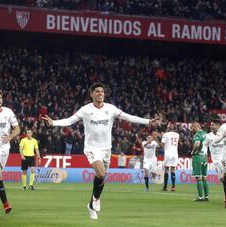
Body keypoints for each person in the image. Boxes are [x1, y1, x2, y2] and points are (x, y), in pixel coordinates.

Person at [41, 83, 160, 220]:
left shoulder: (111, 109)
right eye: (97, 92)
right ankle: (96, 199)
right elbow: (69, 121)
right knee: (101, 173)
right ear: (92, 94)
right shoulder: (85, 110)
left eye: (102, 92)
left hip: (106, 149)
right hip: (92, 148)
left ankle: (91, 205)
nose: (100, 94)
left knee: (102, 178)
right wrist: (53, 123)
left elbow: (129, 117)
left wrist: (148, 121)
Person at [202, 118, 225, 199]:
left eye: (213, 125)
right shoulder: (208, 136)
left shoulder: (223, 135)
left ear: (218, 126)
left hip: (223, 159)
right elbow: (204, 145)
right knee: (221, 179)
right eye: (210, 125)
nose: (211, 126)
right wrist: (205, 153)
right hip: (215, 160)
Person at [190, 122, 209, 201]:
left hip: (197, 157)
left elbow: (197, 144)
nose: (192, 130)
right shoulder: (206, 134)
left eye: (192, 128)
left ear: (195, 127)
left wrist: (193, 152)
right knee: (204, 178)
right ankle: (206, 196)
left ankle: (200, 197)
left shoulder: (197, 135)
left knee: (199, 178)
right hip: (205, 157)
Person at [160, 123, 179, 192]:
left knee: (166, 170)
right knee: (173, 170)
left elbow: (162, 145)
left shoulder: (165, 134)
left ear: (168, 128)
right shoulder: (177, 135)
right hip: (175, 154)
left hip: (168, 153)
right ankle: (173, 187)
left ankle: (165, 187)